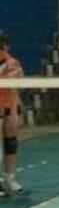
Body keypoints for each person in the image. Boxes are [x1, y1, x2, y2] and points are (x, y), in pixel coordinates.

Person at [0, 32, 24, 195]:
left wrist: (16, 107)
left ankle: (10, 178)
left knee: (11, 143)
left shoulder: (12, 62)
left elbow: (16, 84)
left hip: (9, 105)